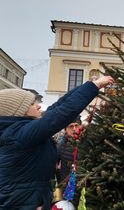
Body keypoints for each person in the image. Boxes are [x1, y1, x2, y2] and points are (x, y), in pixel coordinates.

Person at [0, 76, 114, 210]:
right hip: (21, 202)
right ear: (18, 111)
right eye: (31, 104)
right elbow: (60, 114)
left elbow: (58, 106)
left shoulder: (21, 129)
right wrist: (94, 87)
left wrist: (90, 85)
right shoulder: (17, 134)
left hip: (29, 197)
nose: (38, 105)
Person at [56, 118, 82, 184]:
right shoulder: (60, 146)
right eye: (71, 126)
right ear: (66, 129)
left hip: (85, 183)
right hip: (67, 185)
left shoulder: (87, 143)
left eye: (76, 126)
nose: (74, 129)